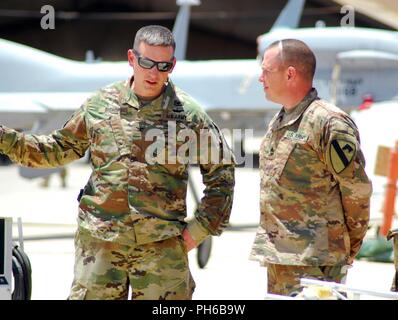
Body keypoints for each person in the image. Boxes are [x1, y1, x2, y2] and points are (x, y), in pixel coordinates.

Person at [0, 25, 235, 300]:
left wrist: (199, 230)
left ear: (172, 65)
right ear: (132, 58)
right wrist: (4, 139)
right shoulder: (100, 105)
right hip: (100, 247)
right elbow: (56, 150)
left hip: (161, 252)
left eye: (164, 66)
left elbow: (222, 173)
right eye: (147, 62)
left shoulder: (189, 115)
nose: (154, 73)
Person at [249, 39, 372, 296]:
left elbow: (357, 190)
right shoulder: (282, 118)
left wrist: (348, 247)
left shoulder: (328, 123)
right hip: (282, 259)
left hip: (316, 264)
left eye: (266, 70)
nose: (261, 78)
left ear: (290, 73)